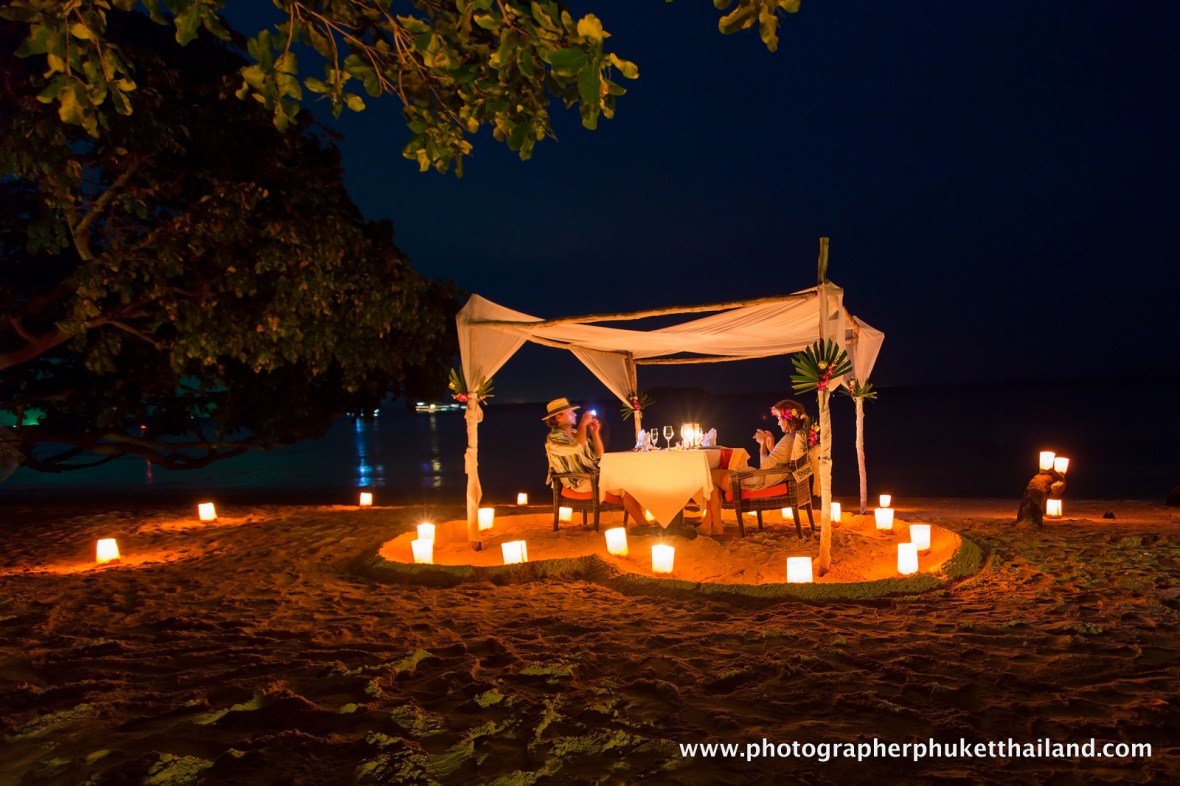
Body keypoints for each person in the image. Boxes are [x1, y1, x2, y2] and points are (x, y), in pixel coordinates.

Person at [700, 398, 810, 535]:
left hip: (759, 481)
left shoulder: (788, 439)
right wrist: (772, 447)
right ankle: (713, 524)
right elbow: (781, 461)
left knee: (710, 475)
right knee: (713, 480)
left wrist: (763, 445)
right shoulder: (796, 437)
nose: (777, 422)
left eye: (779, 419)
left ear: (787, 419)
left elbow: (764, 466)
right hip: (771, 478)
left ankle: (712, 525)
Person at [543, 397, 648, 527]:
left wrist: (594, 432)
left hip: (593, 476)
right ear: (558, 417)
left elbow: (598, 455)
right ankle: (645, 526)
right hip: (578, 482)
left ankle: (645, 525)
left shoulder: (576, 433)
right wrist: (583, 424)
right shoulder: (553, 440)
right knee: (626, 485)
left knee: (631, 481)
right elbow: (576, 446)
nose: (575, 414)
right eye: (570, 412)